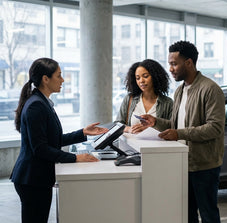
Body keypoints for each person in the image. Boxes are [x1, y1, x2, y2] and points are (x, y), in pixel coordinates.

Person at [10, 57, 108, 223]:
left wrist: (83, 133)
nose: (63, 80)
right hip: (32, 179)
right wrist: (75, 158)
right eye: (59, 76)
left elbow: (52, 140)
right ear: (45, 79)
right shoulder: (36, 105)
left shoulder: (42, 102)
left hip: (36, 178)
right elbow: (40, 148)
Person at [141, 41, 225, 223]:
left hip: (204, 166)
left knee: (209, 214)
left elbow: (215, 128)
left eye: (174, 63)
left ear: (188, 63)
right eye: (169, 64)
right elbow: (176, 124)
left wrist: (179, 134)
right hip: (181, 163)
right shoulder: (179, 91)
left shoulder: (210, 89)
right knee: (186, 215)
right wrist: (156, 122)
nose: (170, 69)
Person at [115, 59, 173, 134]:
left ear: (155, 77)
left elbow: (172, 128)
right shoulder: (129, 99)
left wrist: (151, 128)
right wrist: (129, 129)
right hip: (131, 145)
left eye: (145, 76)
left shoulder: (167, 103)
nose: (141, 81)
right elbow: (117, 124)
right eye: (138, 78)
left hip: (156, 145)